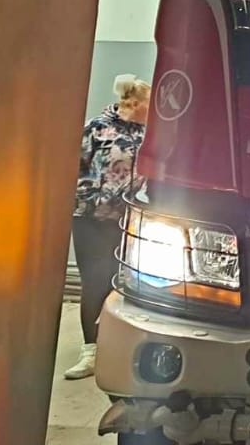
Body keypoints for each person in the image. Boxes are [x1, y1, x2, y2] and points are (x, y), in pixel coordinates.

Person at [65, 74, 150, 380]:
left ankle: (117, 348)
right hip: (89, 217)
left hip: (125, 221)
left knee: (122, 282)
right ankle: (90, 351)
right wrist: (91, 198)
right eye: (149, 105)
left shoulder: (147, 135)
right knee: (94, 281)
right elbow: (75, 166)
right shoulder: (97, 128)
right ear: (134, 103)